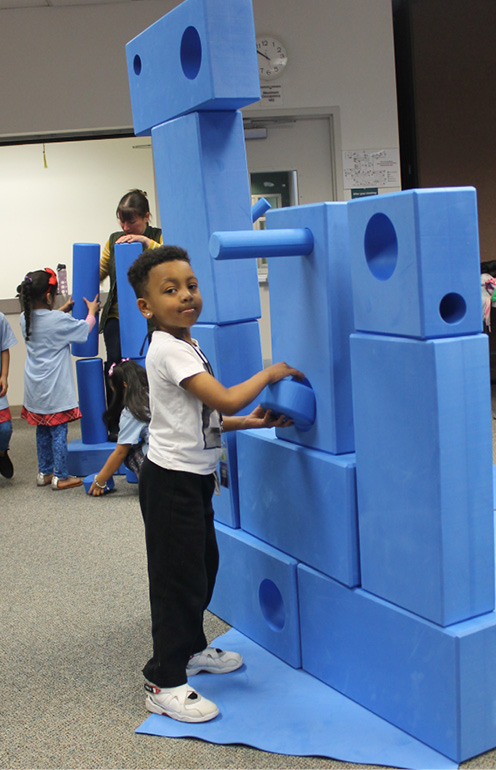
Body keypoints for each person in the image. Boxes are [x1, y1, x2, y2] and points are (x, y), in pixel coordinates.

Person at [127, 245, 304, 723]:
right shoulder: (167, 349)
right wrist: (269, 373)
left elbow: (202, 417)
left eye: (191, 285)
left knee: (201, 568)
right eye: (170, 290)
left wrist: (250, 422)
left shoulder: (184, 343)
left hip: (194, 478)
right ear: (146, 306)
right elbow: (222, 399)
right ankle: (164, 681)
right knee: (176, 581)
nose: (186, 295)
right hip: (170, 484)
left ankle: (189, 650)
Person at [17, 268, 100, 490]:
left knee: (42, 430)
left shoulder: (25, 318)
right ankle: (61, 476)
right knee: (58, 431)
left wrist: (63, 309)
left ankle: (44, 472)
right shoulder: (57, 321)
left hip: (34, 387)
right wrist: (91, 311)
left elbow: (47, 322)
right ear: (48, 296)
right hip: (54, 387)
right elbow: (84, 329)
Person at [100, 189, 162, 439]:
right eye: (122, 221)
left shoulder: (157, 237)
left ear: (147, 216)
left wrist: (145, 243)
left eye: (132, 221)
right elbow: (100, 271)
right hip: (116, 316)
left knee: (149, 367)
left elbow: (171, 258)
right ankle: (115, 424)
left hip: (150, 316)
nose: (126, 227)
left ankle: (152, 421)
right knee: (116, 368)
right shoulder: (114, 240)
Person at [88, 359, 150, 495]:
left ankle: (152, 483)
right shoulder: (154, 395)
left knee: (129, 453)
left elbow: (120, 452)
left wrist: (100, 480)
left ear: (124, 386)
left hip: (161, 464)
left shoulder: (133, 411)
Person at [0, 312, 18, 479]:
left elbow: (4, 348)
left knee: (4, 428)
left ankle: (2, 452)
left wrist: (4, 375)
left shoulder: (0, 319)